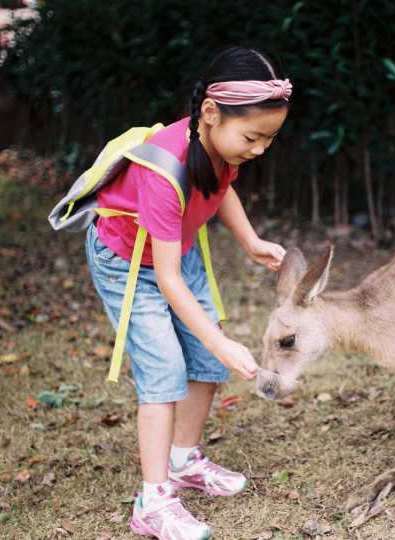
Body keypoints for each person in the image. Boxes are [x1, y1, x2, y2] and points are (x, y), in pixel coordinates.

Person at [84, 46, 290, 540]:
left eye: (269, 138)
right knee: (164, 371)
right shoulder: (165, 172)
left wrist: (250, 240)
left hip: (175, 251)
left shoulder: (218, 146)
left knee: (204, 358)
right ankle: (152, 502)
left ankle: (183, 460)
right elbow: (167, 280)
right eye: (253, 137)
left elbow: (222, 189)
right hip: (129, 263)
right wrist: (221, 340)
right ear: (211, 113)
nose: (260, 149)